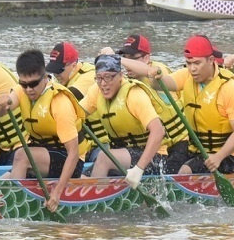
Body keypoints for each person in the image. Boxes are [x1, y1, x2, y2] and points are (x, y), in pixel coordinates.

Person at [123, 34, 234, 177]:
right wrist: (152, 74)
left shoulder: (229, 87)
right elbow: (159, 84)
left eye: (197, 63)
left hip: (225, 156)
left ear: (211, 60)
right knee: (163, 172)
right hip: (194, 150)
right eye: (188, 63)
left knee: (185, 171)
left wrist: (218, 157)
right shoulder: (186, 76)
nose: (192, 69)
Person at [0, 48, 86, 212]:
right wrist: (1, 103)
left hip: (70, 160)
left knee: (21, 155)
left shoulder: (60, 102)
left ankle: (13, 207)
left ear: (45, 77)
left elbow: (73, 153)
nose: (29, 89)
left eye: (33, 84)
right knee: (5, 178)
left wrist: (58, 192)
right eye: (24, 84)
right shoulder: (21, 91)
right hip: (43, 157)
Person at [79, 54, 187, 185]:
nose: (103, 84)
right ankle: (88, 194)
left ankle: (94, 199)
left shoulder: (134, 94)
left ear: (120, 76)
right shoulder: (96, 91)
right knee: (82, 178)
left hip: (154, 159)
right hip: (124, 155)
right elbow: (75, 115)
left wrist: (138, 169)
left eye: (108, 77)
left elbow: (158, 131)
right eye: (99, 78)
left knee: (103, 157)